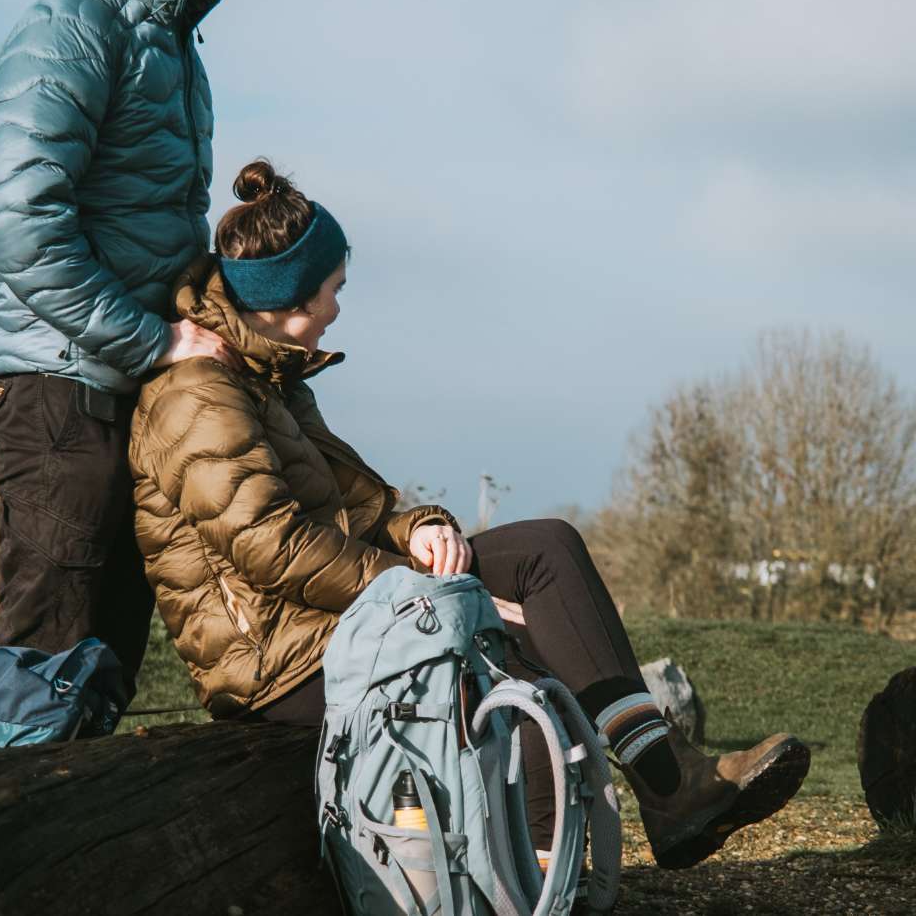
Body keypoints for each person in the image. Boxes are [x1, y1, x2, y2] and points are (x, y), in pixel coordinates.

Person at [129, 161, 811, 869]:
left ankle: (667, 777)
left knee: (546, 548)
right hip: (279, 659)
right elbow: (273, 548)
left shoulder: (270, 376)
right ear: (291, 299)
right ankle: (543, 882)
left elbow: (359, 508)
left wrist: (421, 529)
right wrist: (434, 595)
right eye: (335, 290)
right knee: (509, 664)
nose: (337, 308)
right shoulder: (199, 396)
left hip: (329, 614)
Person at [0, 0, 240, 705]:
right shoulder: (70, 30)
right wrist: (155, 340)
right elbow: (22, 224)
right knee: (46, 675)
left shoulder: (166, 42)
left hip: (123, 391)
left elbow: (152, 228)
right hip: (59, 394)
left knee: (103, 671)